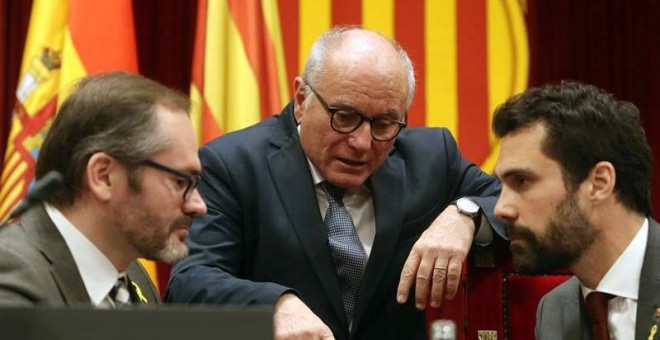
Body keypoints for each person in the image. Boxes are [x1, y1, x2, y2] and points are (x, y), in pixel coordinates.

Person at [167, 27, 503, 339]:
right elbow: (191, 281)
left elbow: (518, 203)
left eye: (384, 123)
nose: (361, 142)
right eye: (344, 117)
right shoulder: (233, 165)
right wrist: (276, 305)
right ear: (301, 100)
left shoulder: (431, 158)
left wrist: (464, 216)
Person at [0, 72, 207, 307]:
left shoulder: (135, 278)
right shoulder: (11, 276)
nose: (198, 205)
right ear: (103, 176)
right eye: (180, 182)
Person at [492, 81, 659, 340]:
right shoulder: (554, 312)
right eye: (502, 185)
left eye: (522, 181)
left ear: (598, 183)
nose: (501, 208)